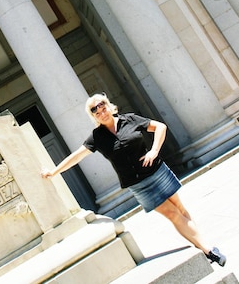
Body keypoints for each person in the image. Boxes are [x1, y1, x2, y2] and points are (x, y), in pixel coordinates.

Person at [41, 92, 226, 267]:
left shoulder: (129, 119)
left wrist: (154, 150)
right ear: (94, 116)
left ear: (109, 106)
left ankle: (202, 245)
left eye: (101, 105)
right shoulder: (97, 137)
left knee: (180, 209)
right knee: (172, 213)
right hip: (138, 184)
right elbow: (77, 156)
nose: (100, 111)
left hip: (157, 171)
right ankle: (209, 250)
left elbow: (160, 127)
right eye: (94, 110)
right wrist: (54, 172)